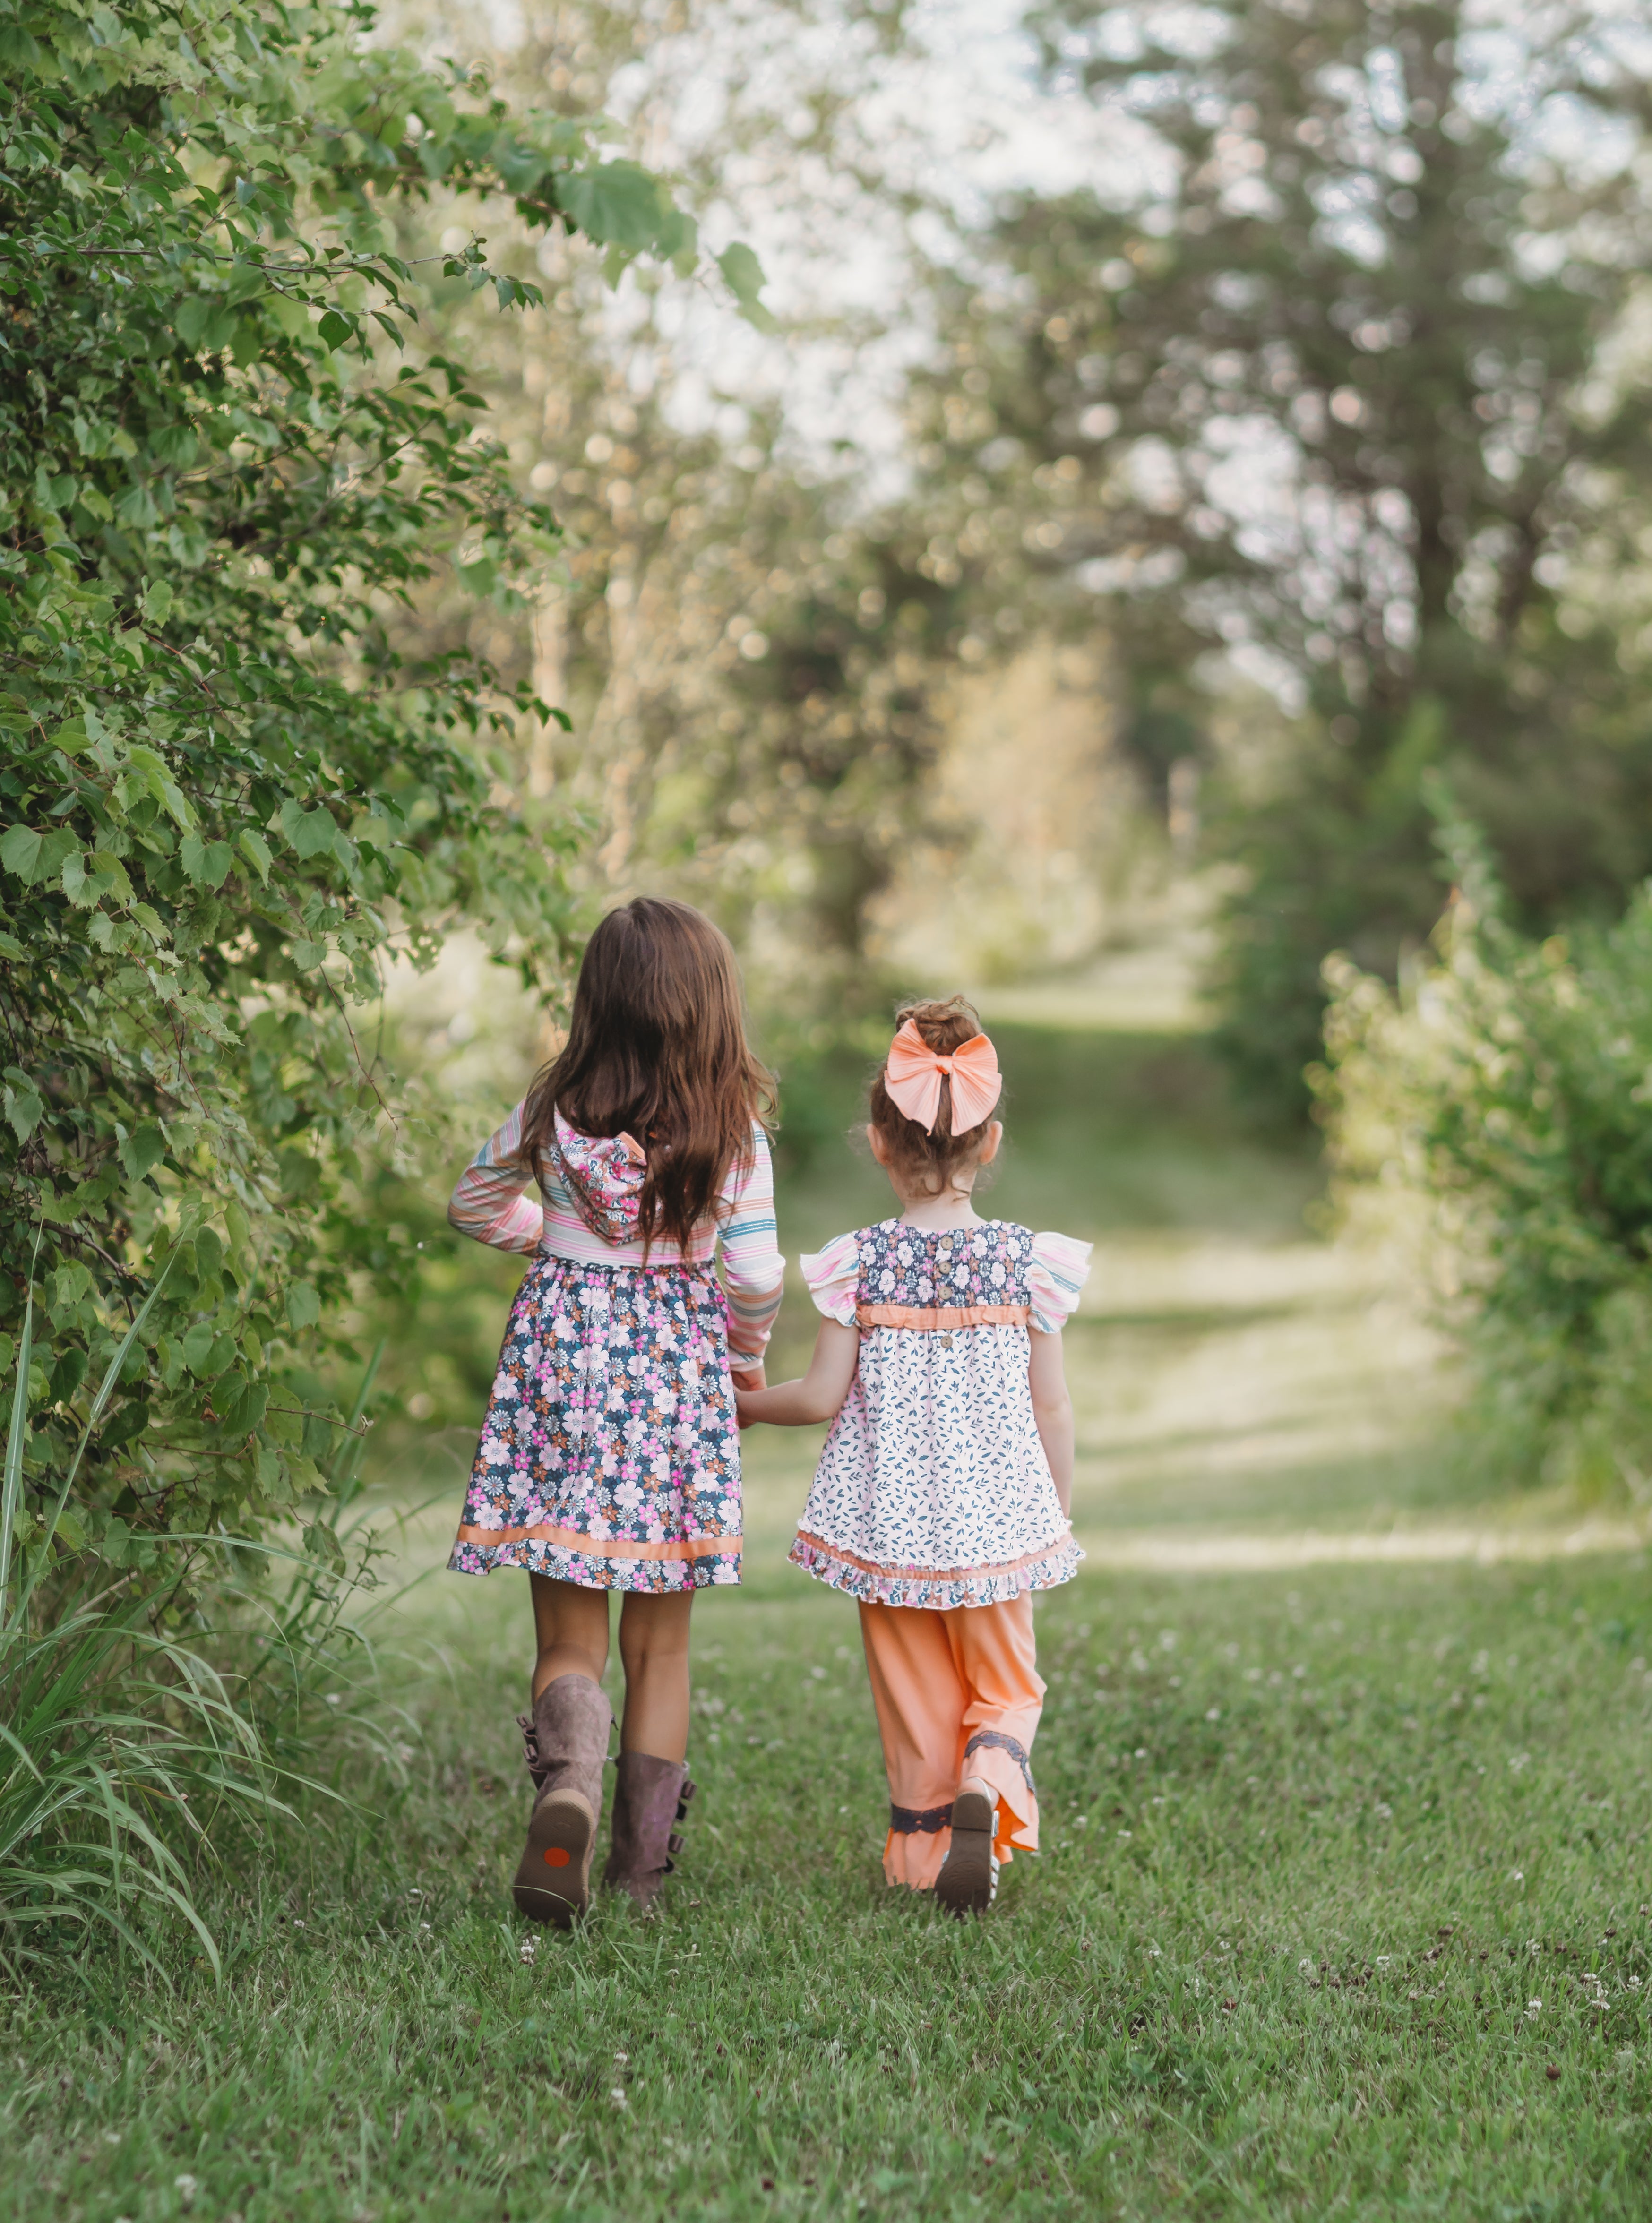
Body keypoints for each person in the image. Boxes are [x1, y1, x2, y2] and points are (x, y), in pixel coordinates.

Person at [446, 898, 784, 1926]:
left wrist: (555, 1237)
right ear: (708, 1011)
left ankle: (568, 1791)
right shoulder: (732, 1133)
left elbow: (468, 1202)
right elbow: (757, 1275)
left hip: (560, 1375)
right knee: (661, 1648)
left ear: (597, 1004)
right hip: (675, 1386)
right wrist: (745, 1361)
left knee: (568, 1637)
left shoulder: (549, 1111)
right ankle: (637, 1876)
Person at [736, 997, 1090, 1914]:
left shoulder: (856, 1263)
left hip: (888, 1531)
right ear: (990, 1141)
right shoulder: (1026, 1264)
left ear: (879, 1143)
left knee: (916, 1698)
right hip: (995, 1526)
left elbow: (817, 1398)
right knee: (1006, 1688)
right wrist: (1050, 1510)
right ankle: (991, 1779)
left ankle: (927, 1859)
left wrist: (739, 1402)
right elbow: (1048, 1402)